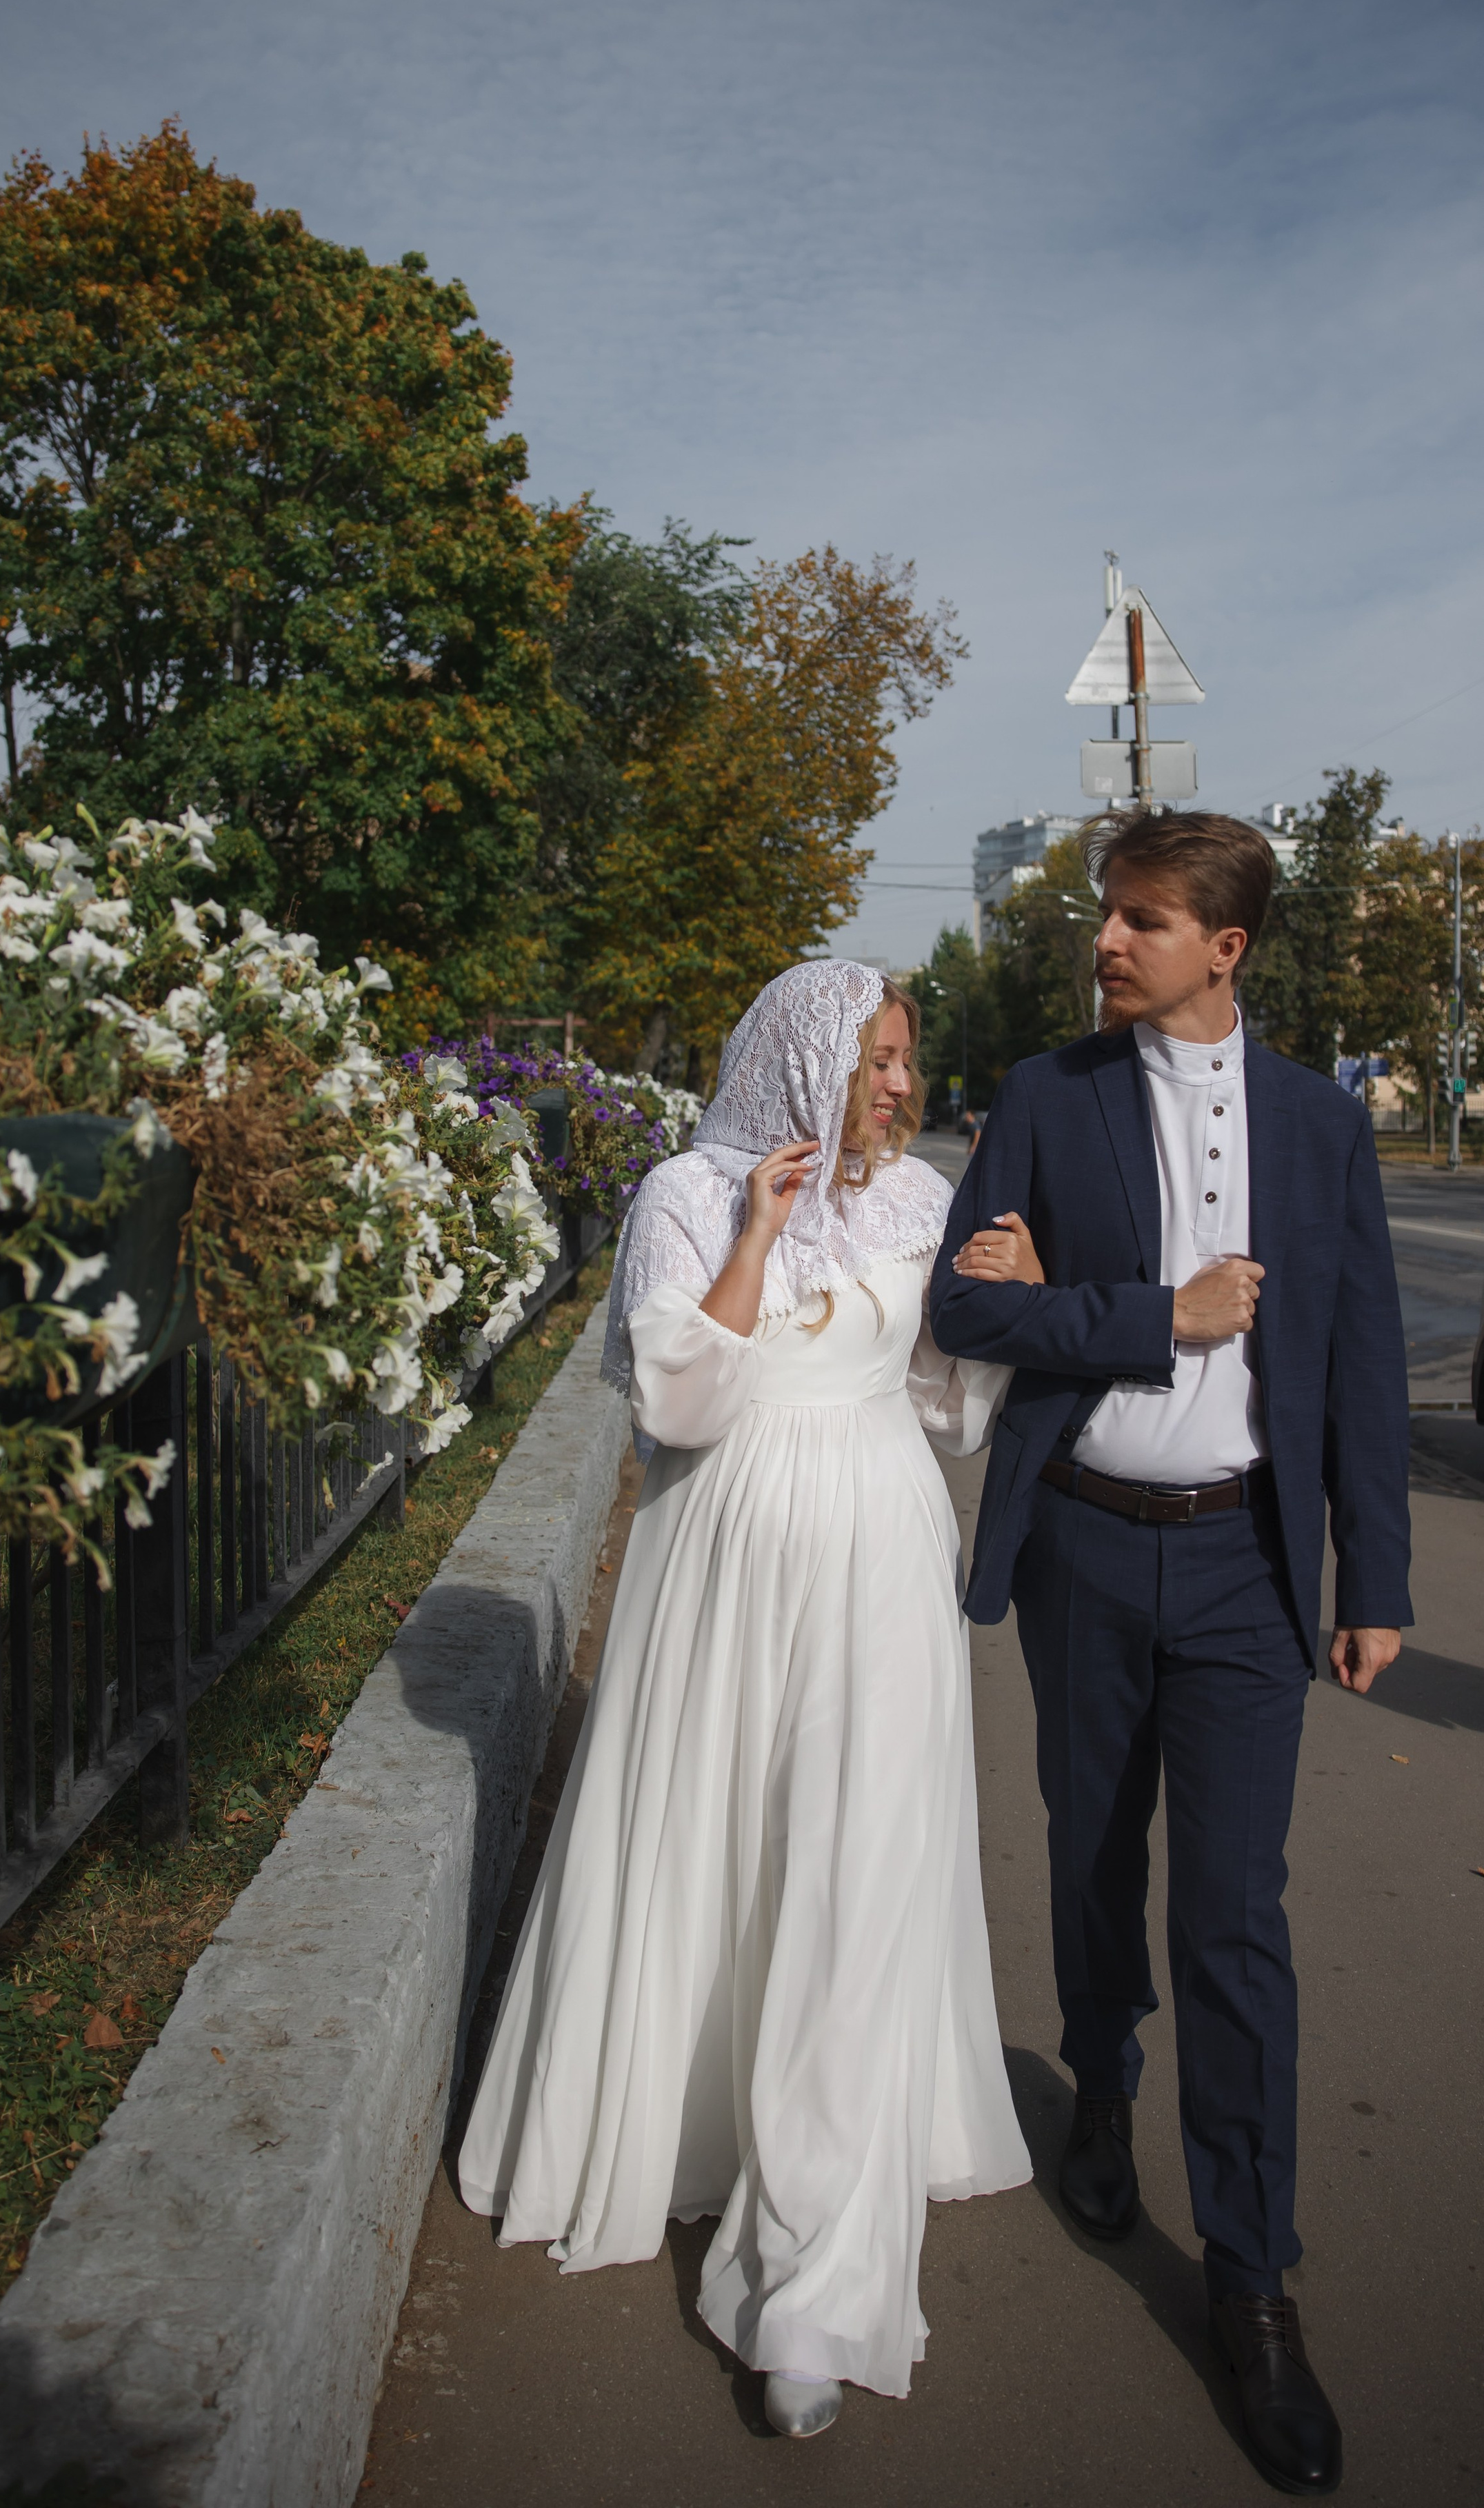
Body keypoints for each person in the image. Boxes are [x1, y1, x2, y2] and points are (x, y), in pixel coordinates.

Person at [459, 961, 1032, 2438]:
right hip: (719, 1574)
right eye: (880, 1060)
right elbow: (678, 1409)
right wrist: (754, 1238)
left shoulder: (920, 1204)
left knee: (853, 1875)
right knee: (716, 1852)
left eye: (907, 1061)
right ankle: (692, 2135)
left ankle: (811, 2290)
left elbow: (938, 1407)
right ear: (805, 1061)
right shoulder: (684, 1194)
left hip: (881, 1562)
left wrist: (992, 1318)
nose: (901, 1085)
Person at [931, 807, 1410, 2500]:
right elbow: (963, 1305)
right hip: (1077, 1546)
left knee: (1230, 1916)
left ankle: (1253, 2285)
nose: (1104, 945)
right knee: (1089, 1856)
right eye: (1103, 918)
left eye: (1138, 921)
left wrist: (1377, 1576)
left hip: (1241, 1571)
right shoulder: (1047, 1096)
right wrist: (1150, 1318)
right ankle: (1095, 2084)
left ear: (1224, 946)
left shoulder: (1315, 1119)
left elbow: (1355, 1351)